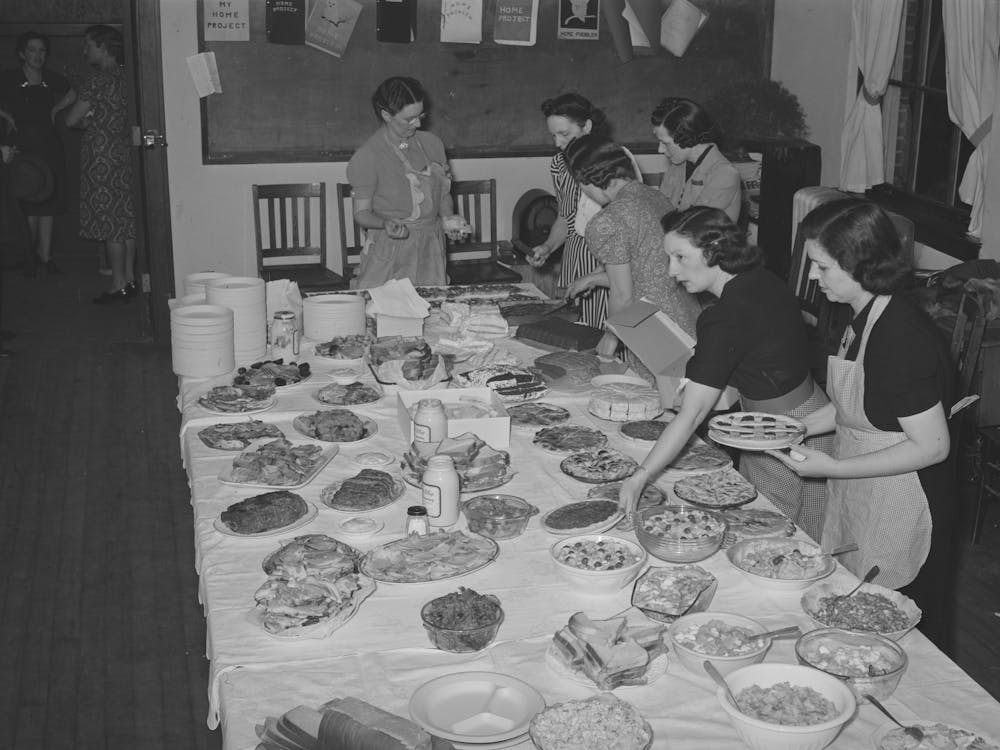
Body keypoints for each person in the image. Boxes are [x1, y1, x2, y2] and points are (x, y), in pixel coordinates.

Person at [769, 198, 956, 649]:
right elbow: (856, 402)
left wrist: (829, 468)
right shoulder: (863, 315)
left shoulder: (900, 335)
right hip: (865, 481)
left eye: (822, 267)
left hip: (906, 496)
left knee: (894, 629)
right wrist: (794, 429)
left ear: (861, 264)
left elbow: (932, 446)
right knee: (853, 609)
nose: (814, 279)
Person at [617, 207, 833, 541]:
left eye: (679, 257)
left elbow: (691, 415)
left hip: (778, 430)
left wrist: (639, 477)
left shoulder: (724, 317)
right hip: (815, 413)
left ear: (713, 251)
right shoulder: (762, 279)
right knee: (812, 531)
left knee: (766, 540)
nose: (672, 271)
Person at [562, 134, 701, 361]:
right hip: (685, 319)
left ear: (586, 180)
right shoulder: (656, 197)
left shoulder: (607, 220)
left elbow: (622, 294)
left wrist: (611, 336)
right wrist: (592, 279)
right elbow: (645, 271)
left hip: (651, 327)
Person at [347, 76, 460, 288]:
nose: (417, 123)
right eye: (408, 119)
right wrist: (384, 223)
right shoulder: (368, 156)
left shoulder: (433, 144)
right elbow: (361, 213)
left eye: (421, 115)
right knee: (386, 315)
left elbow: (443, 193)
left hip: (431, 248)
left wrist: (448, 217)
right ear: (386, 115)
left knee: (432, 311)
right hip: (391, 248)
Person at [527, 93, 613, 328]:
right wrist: (548, 246)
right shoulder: (558, 164)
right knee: (573, 331)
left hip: (607, 261)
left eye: (564, 134)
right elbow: (566, 215)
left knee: (602, 332)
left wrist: (601, 273)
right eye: (553, 135)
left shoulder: (615, 160)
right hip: (575, 258)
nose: (557, 143)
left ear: (587, 126)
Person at [65, 25, 136, 304]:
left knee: (109, 222)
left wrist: (87, 122)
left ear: (103, 48)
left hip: (101, 156)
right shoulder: (127, 77)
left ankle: (117, 284)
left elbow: (72, 120)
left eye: (89, 45)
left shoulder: (97, 80)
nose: (86, 51)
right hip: (125, 153)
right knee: (127, 220)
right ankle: (130, 278)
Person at [0, 30, 77, 276]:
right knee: (27, 205)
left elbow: (74, 91)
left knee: (49, 204)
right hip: (22, 149)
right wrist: (4, 115)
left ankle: (46, 257)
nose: (38, 55)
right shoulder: (9, 77)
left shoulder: (49, 78)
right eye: (32, 50)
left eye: (42, 50)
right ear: (22, 54)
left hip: (49, 146)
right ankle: (27, 257)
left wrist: (56, 110)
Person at [651, 97, 742, 223]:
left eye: (665, 143)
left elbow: (692, 227)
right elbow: (659, 208)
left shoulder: (725, 174)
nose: (660, 150)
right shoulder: (677, 166)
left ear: (685, 137)